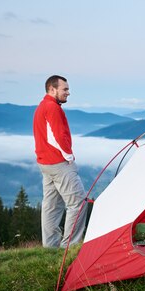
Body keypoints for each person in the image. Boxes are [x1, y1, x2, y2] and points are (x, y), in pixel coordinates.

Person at [33, 75, 87, 248]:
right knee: (78, 203)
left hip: (45, 164)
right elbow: (57, 137)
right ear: (52, 89)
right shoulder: (53, 108)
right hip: (59, 163)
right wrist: (69, 157)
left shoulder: (42, 106)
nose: (68, 93)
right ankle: (69, 247)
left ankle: (50, 247)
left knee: (52, 206)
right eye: (65, 89)